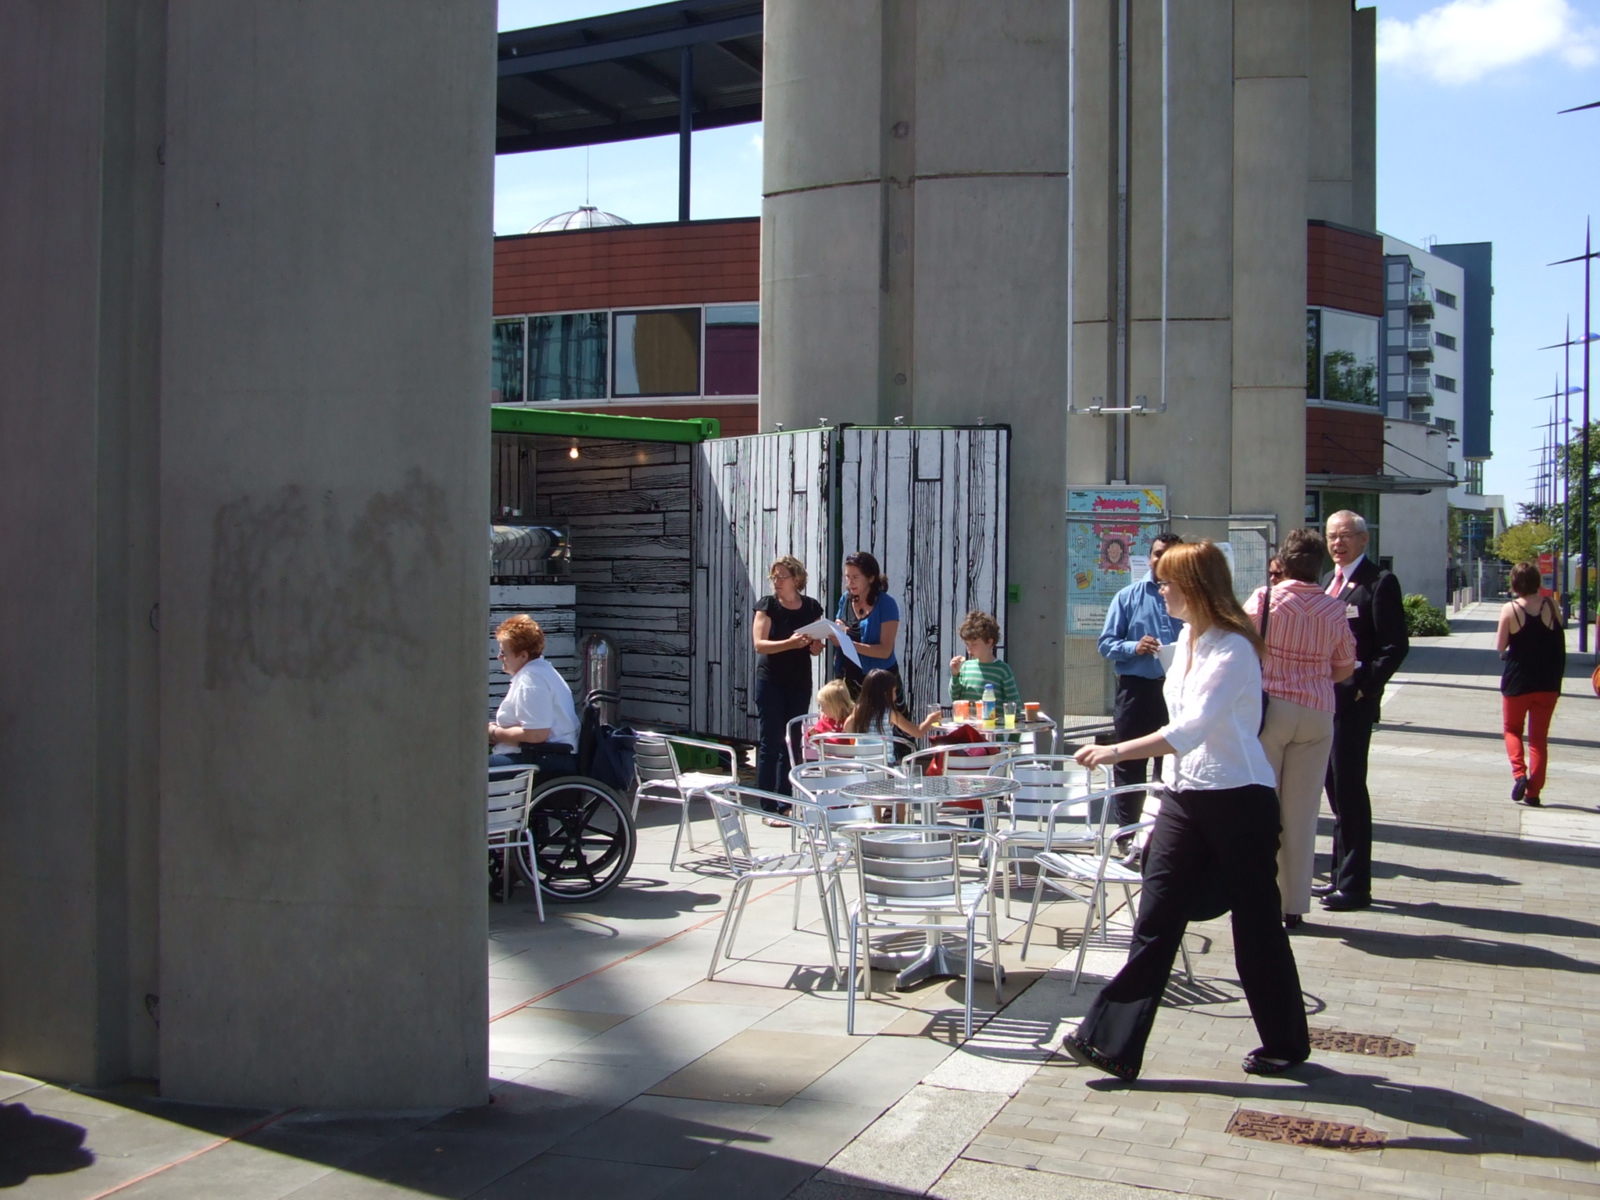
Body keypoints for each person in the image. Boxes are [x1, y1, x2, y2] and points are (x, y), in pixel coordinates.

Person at [1064, 541, 1309, 1082]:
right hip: (1183, 797)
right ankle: (1111, 1043)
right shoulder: (1187, 639)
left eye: (1170, 581)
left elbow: (1190, 731)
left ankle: (1286, 1042)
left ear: (1196, 586)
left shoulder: (1234, 648)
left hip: (1239, 798)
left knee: (1257, 925)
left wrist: (1116, 750)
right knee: (1154, 920)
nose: (1162, 588)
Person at [1244, 529, 1355, 930]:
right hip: (1318, 710)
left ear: (1284, 562)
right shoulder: (1334, 608)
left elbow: (1238, 646)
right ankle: (1295, 905)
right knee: (1303, 812)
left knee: (1263, 806)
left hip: (1271, 707)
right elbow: (1344, 666)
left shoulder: (1264, 599)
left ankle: (1264, 896)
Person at [1317, 511, 1408, 913]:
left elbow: (1394, 646)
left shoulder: (1379, 582)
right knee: (1335, 792)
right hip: (1323, 703)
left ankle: (1355, 886)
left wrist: (1363, 689)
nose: (1337, 544)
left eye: (1345, 537)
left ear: (1363, 540)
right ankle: (1339, 876)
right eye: (1332, 537)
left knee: (1350, 793)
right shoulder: (1328, 582)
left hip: (1352, 705)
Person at [1097, 533, 1183, 858]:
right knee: (1129, 763)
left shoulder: (1188, 597)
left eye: (1169, 555)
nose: (1162, 560)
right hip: (1137, 691)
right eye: (1157, 554)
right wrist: (1134, 646)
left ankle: (1161, 835)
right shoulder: (1128, 596)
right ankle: (1126, 835)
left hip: (1176, 693)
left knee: (1170, 765)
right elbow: (1106, 644)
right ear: (1149, 558)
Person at [752, 556, 824, 807]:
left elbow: (816, 648)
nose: (777, 581)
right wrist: (790, 644)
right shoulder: (768, 605)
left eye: (782, 576)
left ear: (797, 579)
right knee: (770, 741)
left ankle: (786, 801)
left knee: (792, 743)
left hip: (799, 681)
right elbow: (760, 644)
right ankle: (767, 803)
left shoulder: (811, 607)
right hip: (771, 680)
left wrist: (816, 646)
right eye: (774, 577)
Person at [1498, 561, 1565, 806]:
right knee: (1538, 739)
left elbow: (1500, 645)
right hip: (1547, 682)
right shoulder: (1552, 605)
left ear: (1515, 584)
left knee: (1512, 730)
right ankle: (1534, 792)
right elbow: (1559, 638)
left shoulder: (1510, 609)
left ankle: (1519, 775)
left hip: (1517, 682)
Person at [488, 614, 581, 776]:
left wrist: (495, 733)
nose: (499, 657)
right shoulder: (541, 671)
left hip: (542, 761)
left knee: (464, 768)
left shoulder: (531, 680)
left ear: (523, 655)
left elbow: (536, 734)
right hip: (545, 757)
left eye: (504, 653)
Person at [834, 552, 903, 704]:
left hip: (880, 681)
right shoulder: (846, 599)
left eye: (855, 577)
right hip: (850, 678)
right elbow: (840, 621)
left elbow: (884, 651)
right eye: (847, 576)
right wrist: (837, 628)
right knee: (850, 727)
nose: (850, 582)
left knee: (883, 725)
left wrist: (848, 644)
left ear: (871, 578)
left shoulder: (886, 604)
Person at [948, 610, 1021, 707]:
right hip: (968, 721)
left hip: (993, 721)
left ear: (989, 642)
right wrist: (955, 675)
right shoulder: (965, 667)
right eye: (967, 644)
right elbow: (955, 697)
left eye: (974, 644)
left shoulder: (1002, 669)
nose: (969, 648)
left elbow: (1014, 704)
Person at [845, 668, 939, 742]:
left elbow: (847, 728)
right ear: (885, 694)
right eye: (894, 691)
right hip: (884, 764)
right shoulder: (890, 714)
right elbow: (918, 732)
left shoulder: (859, 711)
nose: (895, 694)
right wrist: (930, 720)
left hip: (864, 764)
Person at [804, 679, 855, 759]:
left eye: (824, 706)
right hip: (829, 763)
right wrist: (812, 735)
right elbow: (816, 741)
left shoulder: (852, 719)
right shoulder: (824, 720)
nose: (821, 710)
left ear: (838, 706)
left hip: (851, 763)